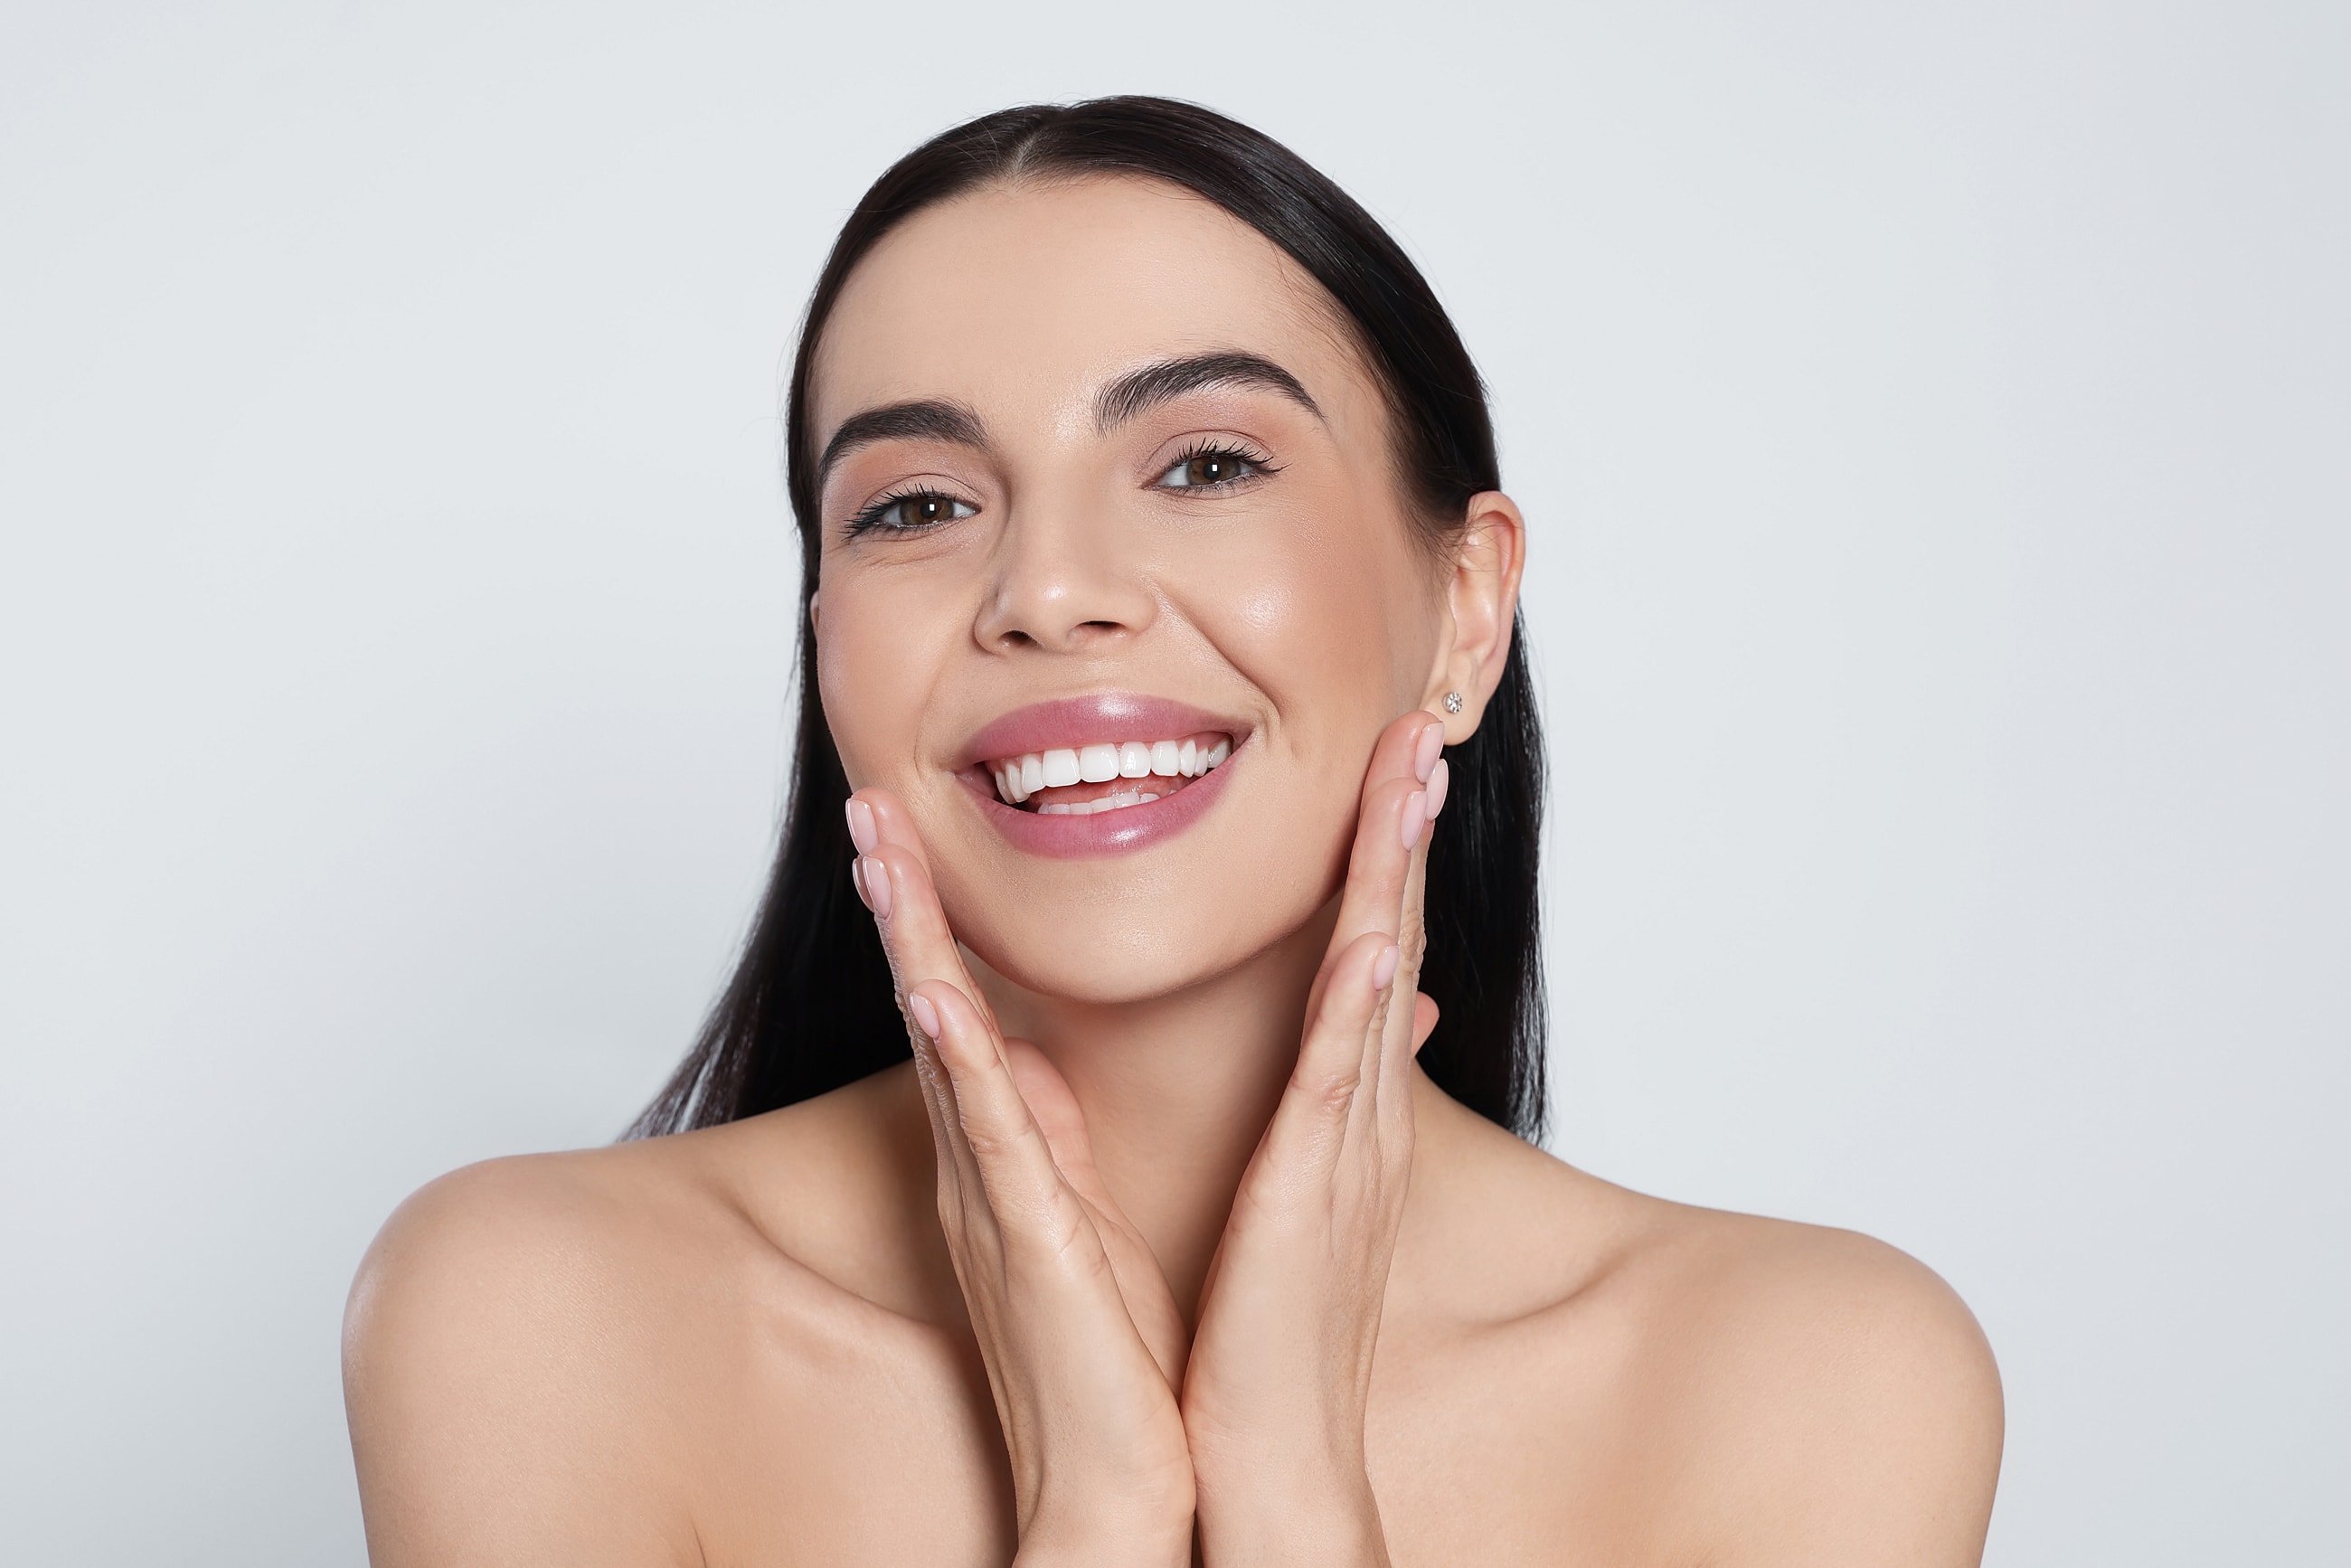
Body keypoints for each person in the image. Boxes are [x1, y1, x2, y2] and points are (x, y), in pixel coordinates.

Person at [343, 98, 2003, 1566]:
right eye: (917, 504)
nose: (1049, 590)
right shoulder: (537, 1317)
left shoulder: (1813, 1382)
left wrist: (1291, 1492)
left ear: (1465, 605)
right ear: (824, 634)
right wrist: (1099, 1512)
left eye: (1205, 464)